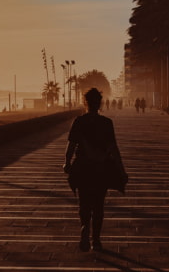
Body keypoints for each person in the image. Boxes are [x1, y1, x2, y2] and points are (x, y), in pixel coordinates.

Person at [64, 88, 127, 252]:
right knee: (98, 204)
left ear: (85, 103)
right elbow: (113, 149)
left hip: (83, 167)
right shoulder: (106, 123)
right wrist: (121, 169)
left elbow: (71, 146)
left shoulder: (79, 121)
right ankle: (96, 240)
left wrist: (66, 163)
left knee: (84, 202)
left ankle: (84, 227)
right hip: (101, 168)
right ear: (100, 103)